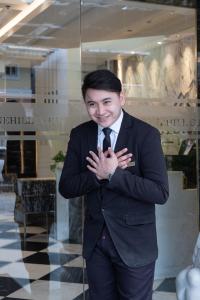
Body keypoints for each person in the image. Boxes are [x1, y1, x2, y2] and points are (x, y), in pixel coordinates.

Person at [59, 69, 169, 300]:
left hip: (134, 244)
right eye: (92, 104)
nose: (100, 111)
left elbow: (159, 192)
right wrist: (97, 175)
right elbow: (66, 187)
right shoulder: (80, 135)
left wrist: (114, 175)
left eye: (106, 101)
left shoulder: (145, 135)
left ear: (122, 98)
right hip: (96, 242)